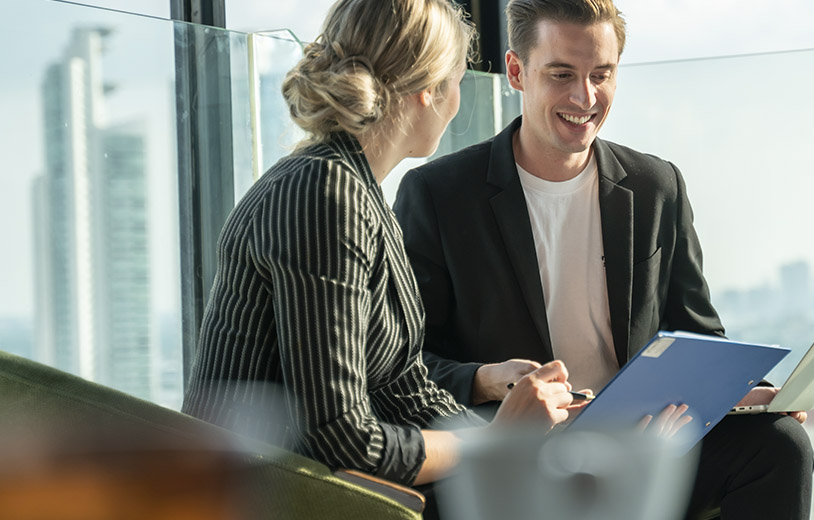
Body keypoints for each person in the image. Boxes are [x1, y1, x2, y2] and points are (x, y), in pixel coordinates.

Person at [393, 0, 814, 518]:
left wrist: (749, 394)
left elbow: (699, 334)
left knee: (779, 443)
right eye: (562, 74)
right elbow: (407, 364)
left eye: (601, 74)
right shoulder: (439, 194)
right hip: (520, 454)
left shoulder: (657, 186)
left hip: (647, 443)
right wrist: (486, 378)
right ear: (517, 71)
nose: (585, 97)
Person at [182, 0, 580, 492]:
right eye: (458, 80)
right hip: (253, 498)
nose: (458, 100)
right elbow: (341, 440)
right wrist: (498, 440)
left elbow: (403, 388)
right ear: (428, 91)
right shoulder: (324, 193)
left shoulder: (356, 192)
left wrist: (524, 442)